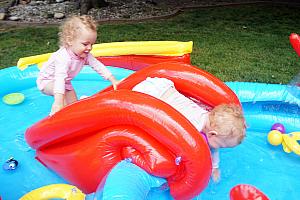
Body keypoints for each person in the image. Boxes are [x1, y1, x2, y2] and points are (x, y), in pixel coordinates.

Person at [132, 77, 246, 182]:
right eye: (221, 146)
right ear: (212, 134)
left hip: (163, 85)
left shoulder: (209, 121)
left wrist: (215, 167)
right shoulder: (192, 127)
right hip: (148, 93)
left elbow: (214, 150)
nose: (219, 148)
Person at [36, 15, 120, 116]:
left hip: (65, 82)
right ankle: (56, 115)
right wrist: (58, 103)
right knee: (63, 103)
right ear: (70, 41)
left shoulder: (85, 55)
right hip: (47, 81)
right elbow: (59, 79)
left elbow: (98, 66)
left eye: (92, 44)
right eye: (85, 44)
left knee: (74, 106)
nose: (89, 48)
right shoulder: (63, 57)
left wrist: (113, 80)